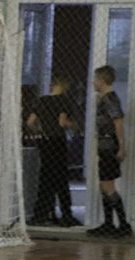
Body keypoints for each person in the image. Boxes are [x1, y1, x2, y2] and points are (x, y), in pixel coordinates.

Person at [26, 75, 80, 227]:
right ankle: (66, 214)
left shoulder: (42, 100)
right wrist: (74, 126)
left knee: (45, 177)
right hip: (57, 141)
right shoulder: (63, 100)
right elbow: (62, 122)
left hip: (45, 141)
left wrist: (39, 131)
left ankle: (41, 214)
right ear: (63, 86)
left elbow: (30, 122)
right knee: (61, 177)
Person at [87, 65, 131, 237]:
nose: (93, 82)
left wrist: (121, 146)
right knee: (103, 185)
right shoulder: (103, 98)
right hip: (104, 145)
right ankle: (108, 224)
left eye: (95, 79)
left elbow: (118, 122)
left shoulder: (110, 98)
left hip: (109, 146)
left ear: (102, 80)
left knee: (108, 186)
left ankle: (124, 225)